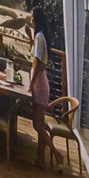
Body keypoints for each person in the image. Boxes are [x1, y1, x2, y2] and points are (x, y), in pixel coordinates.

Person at [27, 9, 55, 168]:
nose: (30, 20)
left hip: (40, 84)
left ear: (35, 19)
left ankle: (56, 153)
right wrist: (30, 36)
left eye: (31, 17)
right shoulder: (40, 36)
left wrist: (31, 84)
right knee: (40, 123)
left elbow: (37, 62)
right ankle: (41, 159)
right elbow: (35, 55)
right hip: (41, 82)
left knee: (37, 124)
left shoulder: (40, 37)